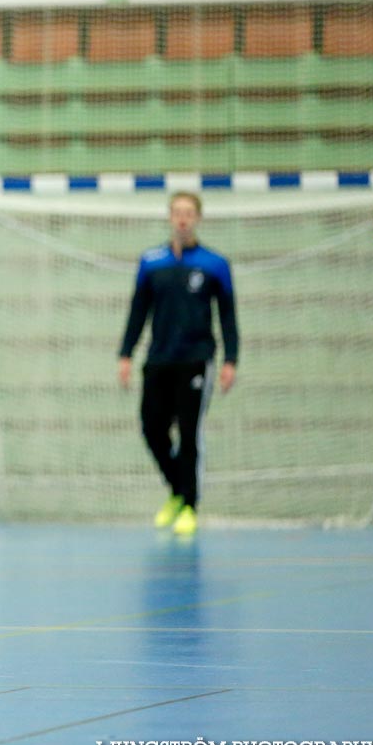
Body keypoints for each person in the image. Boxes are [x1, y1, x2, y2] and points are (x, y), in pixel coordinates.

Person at [117, 191, 240, 537]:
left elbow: (228, 316)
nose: (183, 219)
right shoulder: (151, 262)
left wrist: (231, 359)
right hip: (158, 360)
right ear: (170, 217)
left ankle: (189, 506)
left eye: (189, 213)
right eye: (177, 212)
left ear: (198, 218)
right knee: (152, 428)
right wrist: (125, 354)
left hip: (196, 361)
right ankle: (178, 490)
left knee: (189, 435)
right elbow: (138, 312)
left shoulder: (215, 264)